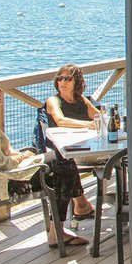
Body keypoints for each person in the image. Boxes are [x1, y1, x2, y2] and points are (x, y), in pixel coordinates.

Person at [0, 72, 90, 248]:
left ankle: (80, 207)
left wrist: (22, 157)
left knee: (60, 163)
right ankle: (65, 223)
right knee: (62, 164)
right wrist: (23, 157)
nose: (1, 92)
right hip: (3, 185)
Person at [39, 64, 98, 221]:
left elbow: (99, 117)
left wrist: (104, 118)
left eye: (67, 79)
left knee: (122, 157)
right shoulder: (53, 100)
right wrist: (88, 125)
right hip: (61, 150)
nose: (62, 82)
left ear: (76, 81)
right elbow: (60, 120)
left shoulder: (82, 100)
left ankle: (82, 205)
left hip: (84, 148)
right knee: (65, 162)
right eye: (60, 78)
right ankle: (81, 204)